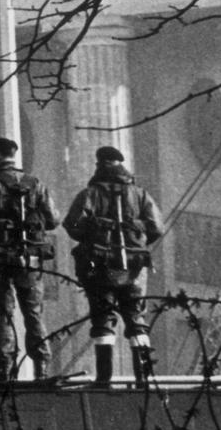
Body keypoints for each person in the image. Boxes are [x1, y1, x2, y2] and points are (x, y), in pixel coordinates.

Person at [63, 145, 165, 386]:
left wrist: (91, 238)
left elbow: (71, 224)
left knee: (103, 319)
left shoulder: (89, 194)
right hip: (134, 267)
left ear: (100, 165)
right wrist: (136, 243)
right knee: (136, 318)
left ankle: (104, 378)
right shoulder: (140, 194)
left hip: (99, 267)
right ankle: (144, 379)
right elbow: (156, 228)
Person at [0, 137, 58, 382]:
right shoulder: (35, 184)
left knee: (2, 314)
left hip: (0, 260)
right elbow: (53, 218)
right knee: (33, 313)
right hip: (30, 259)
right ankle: (42, 367)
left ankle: (4, 370)